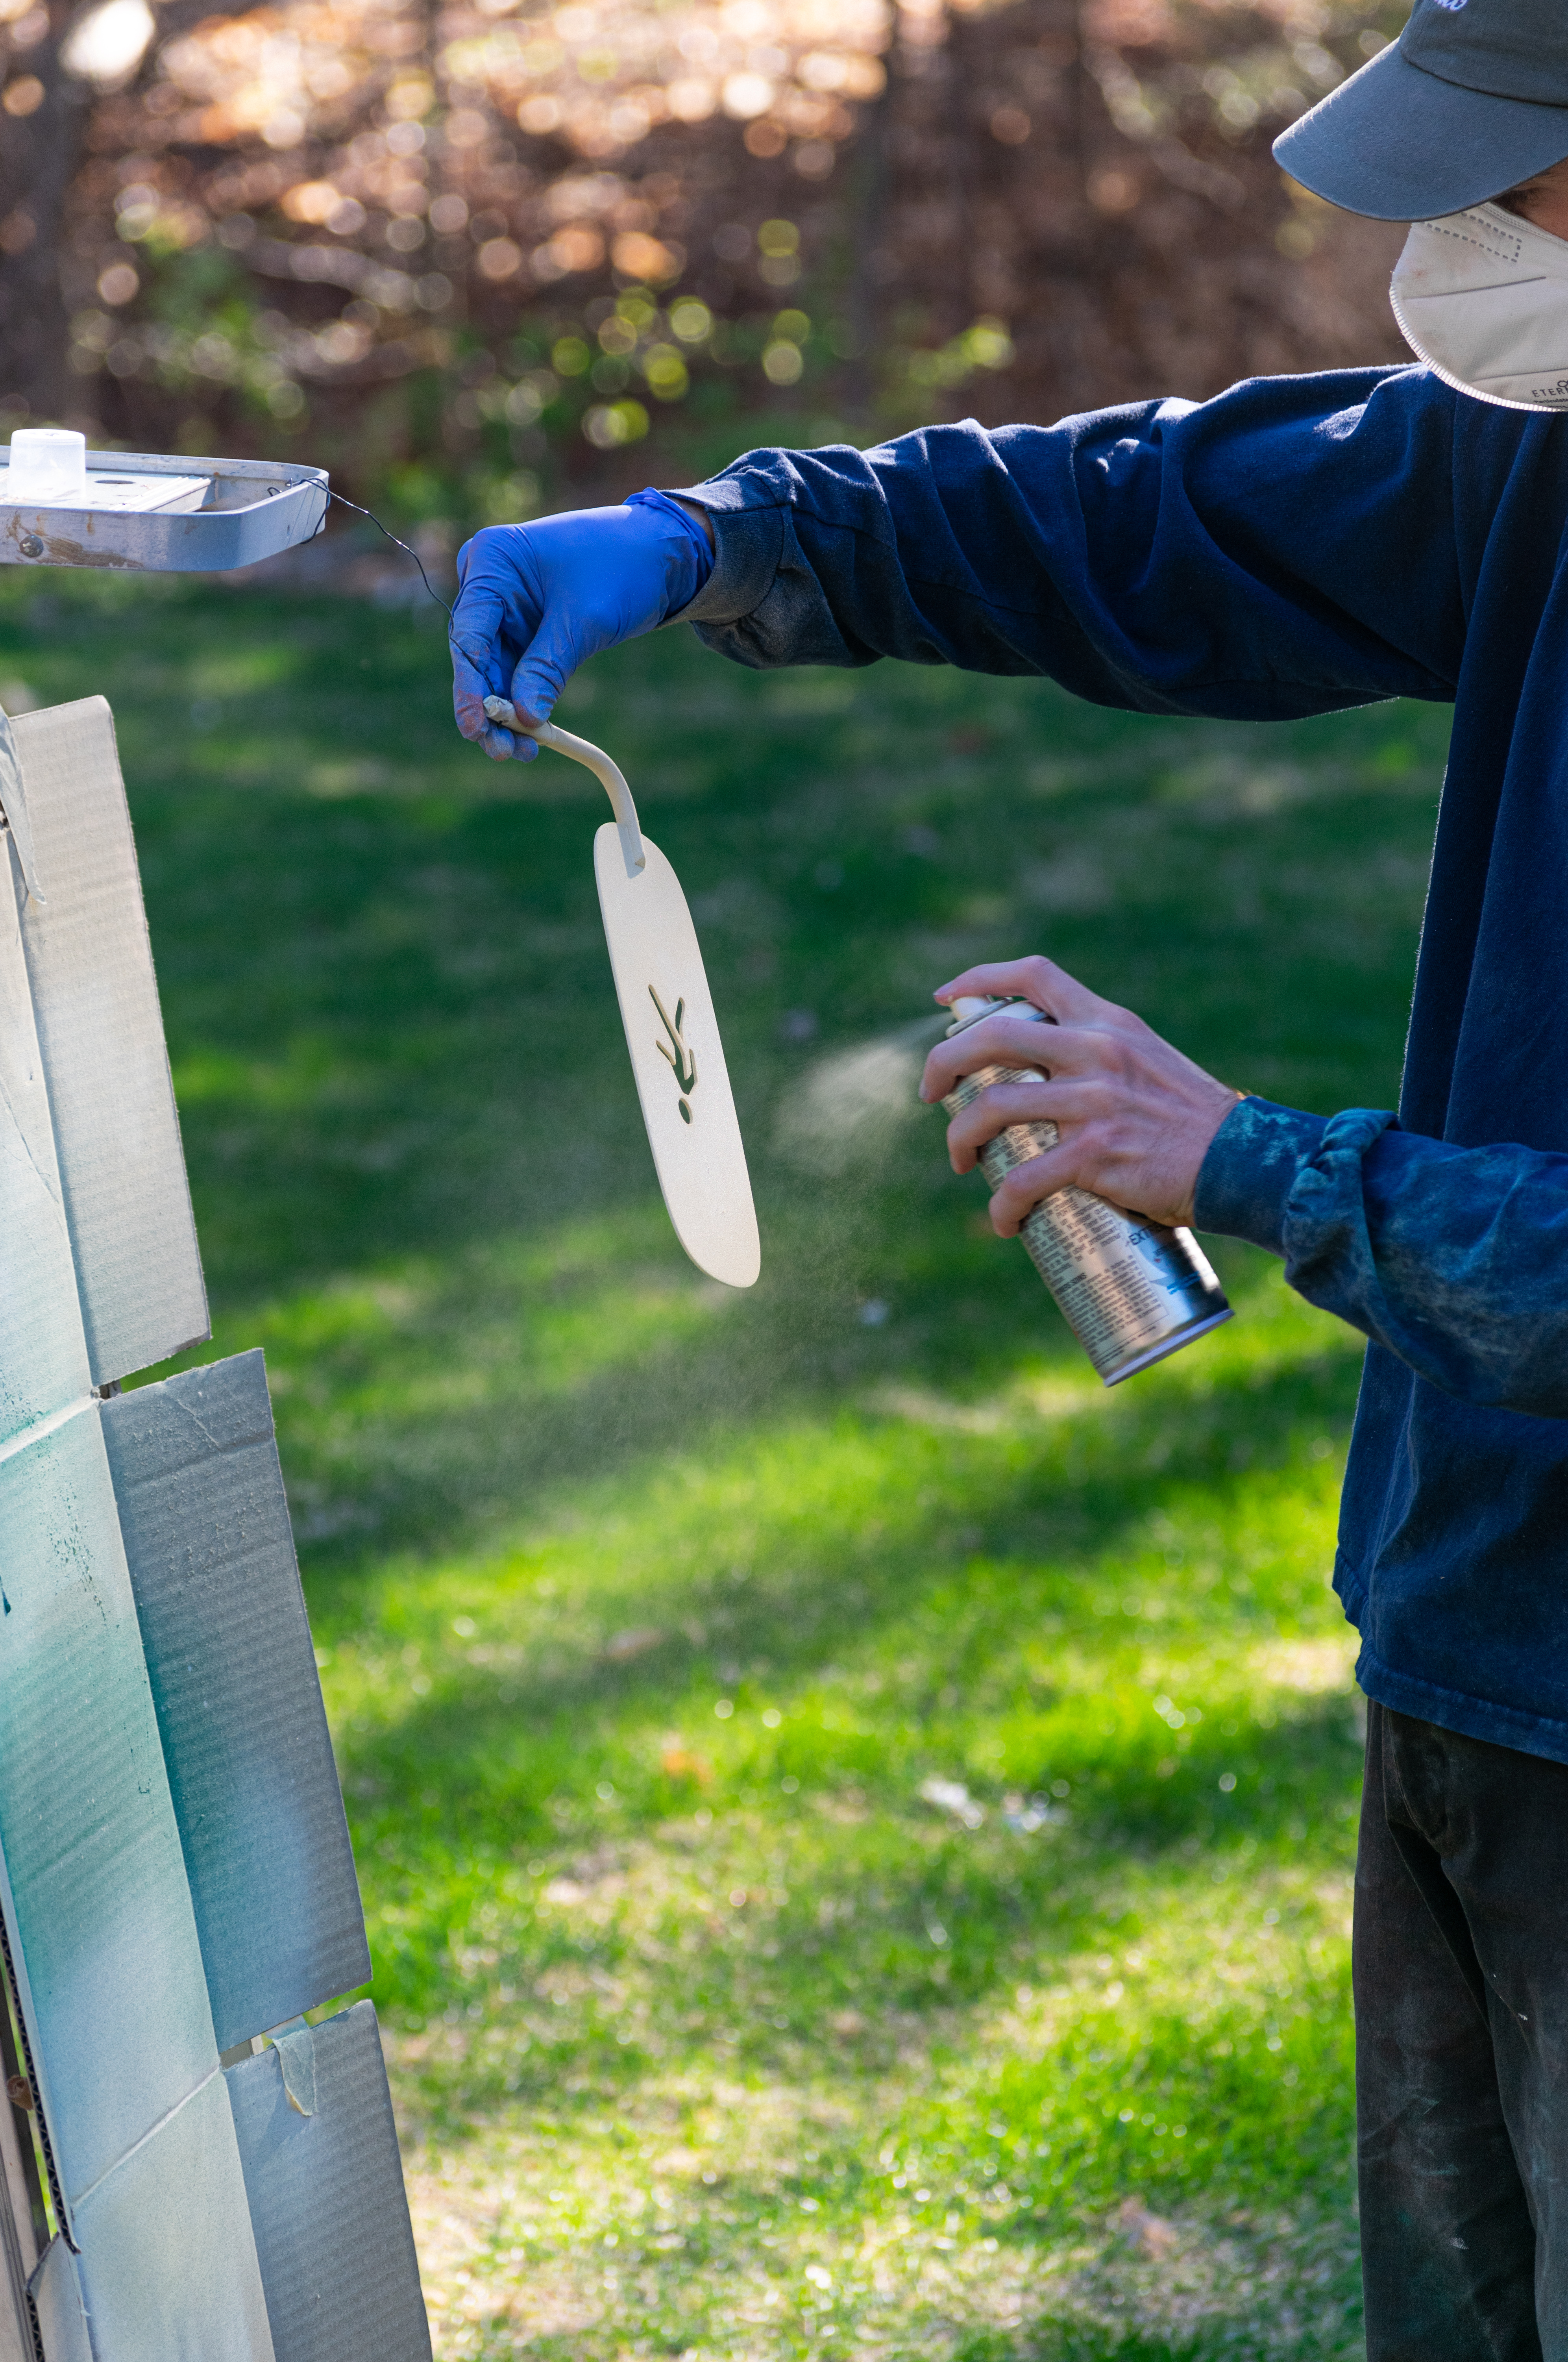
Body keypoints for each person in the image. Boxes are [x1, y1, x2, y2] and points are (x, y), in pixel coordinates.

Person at [449, 2, 1568, 2351]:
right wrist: (720, 537)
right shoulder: (1539, 455)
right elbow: (1150, 513)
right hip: (1479, 1654)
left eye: (1518, 180)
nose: (1471, 242)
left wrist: (1258, 1163)